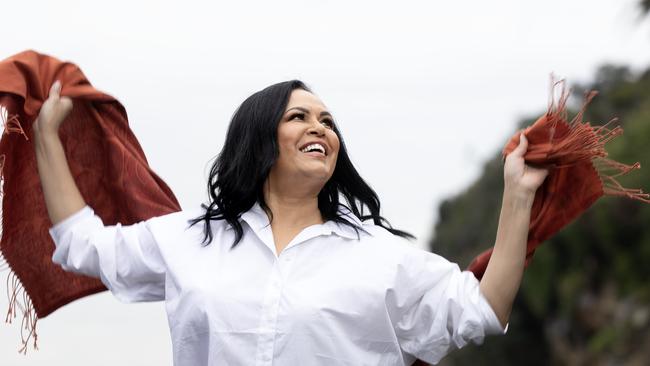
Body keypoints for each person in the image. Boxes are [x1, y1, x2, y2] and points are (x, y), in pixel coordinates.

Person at [33, 79, 548, 365]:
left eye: (327, 121)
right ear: (259, 138)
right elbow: (82, 244)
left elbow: (480, 309)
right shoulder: (191, 239)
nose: (319, 126)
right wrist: (46, 138)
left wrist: (518, 196)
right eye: (298, 116)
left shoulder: (379, 256)